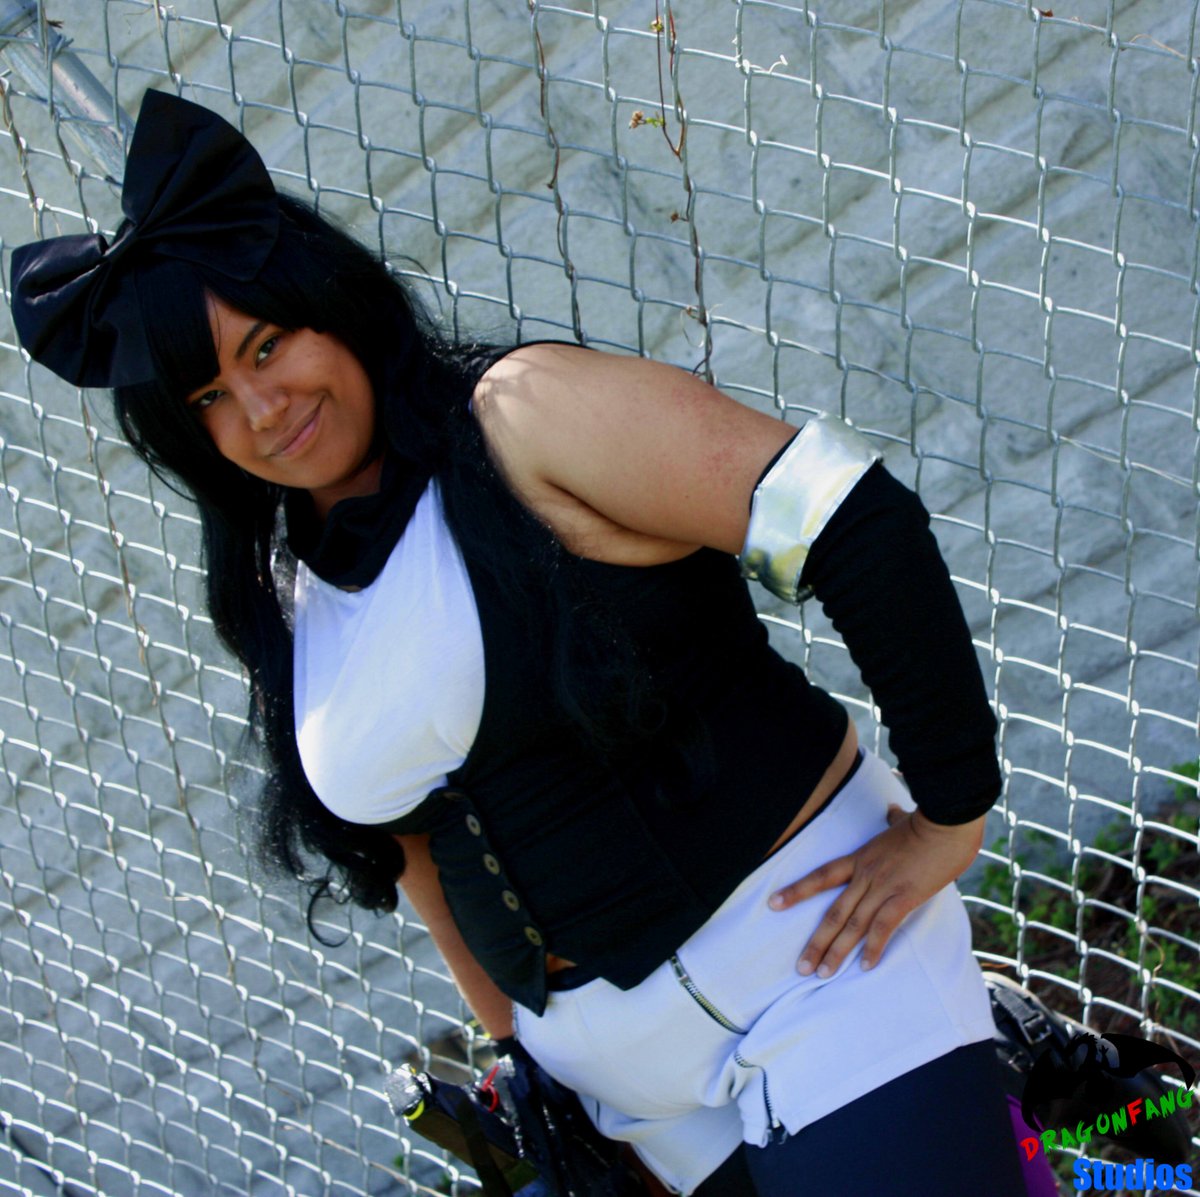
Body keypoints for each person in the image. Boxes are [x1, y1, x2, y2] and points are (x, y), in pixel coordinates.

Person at [11, 91, 1032, 1195]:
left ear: (330, 305)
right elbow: (413, 846)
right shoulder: (289, 597)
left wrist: (950, 816)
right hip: (622, 1093)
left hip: (817, 972)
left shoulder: (523, 417)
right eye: (212, 393)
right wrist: (517, 1048)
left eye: (268, 343)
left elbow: (850, 519)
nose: (262, 407)